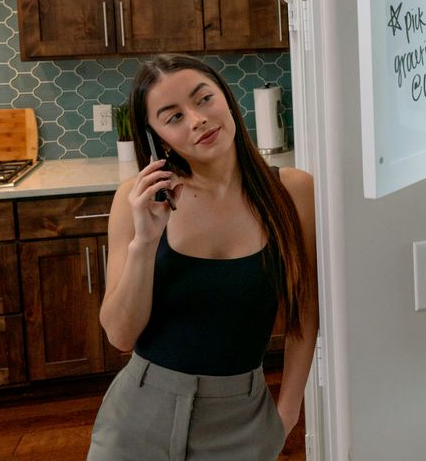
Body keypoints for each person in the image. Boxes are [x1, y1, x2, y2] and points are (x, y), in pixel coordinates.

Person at [89, 54, 318, 461]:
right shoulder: (135, 200)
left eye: (204, 99)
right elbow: (120, 336)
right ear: (157, 136)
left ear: (226, 99)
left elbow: (305, 313)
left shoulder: (293, 192)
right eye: (173, 117)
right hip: (138, 418)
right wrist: (145, 241)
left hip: (243, 420)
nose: (197, 119)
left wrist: (287, 412)